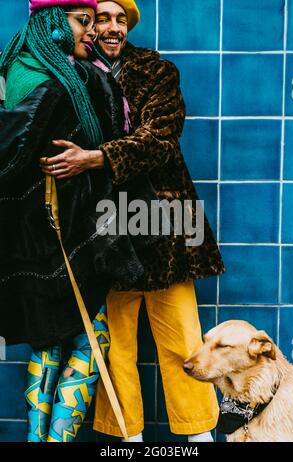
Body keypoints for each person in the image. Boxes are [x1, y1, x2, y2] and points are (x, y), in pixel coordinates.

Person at [40, 0, 226, 443]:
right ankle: (128, 437)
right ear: (86, 24)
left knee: (182, 337)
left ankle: (198, 435)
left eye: (121, 20)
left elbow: (160, 138)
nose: (112, 27)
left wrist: (97, 158)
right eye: (101, 18)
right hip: (104, 225)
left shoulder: (157, 70)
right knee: (116, 343)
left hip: (164, 222)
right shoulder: (71, 73)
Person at [0, 0, 150, 443]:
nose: (91, 31)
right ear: (52, 22)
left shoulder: (17, 67)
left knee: (50, 343)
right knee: (90, 341)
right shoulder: (59, 82)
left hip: (33, 241)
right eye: (82, 21)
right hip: (62, 239)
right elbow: (11, 157)